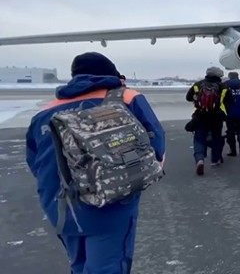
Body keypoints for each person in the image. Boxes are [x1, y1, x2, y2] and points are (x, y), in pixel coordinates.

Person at [25, 52, 166, 273]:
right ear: (110, 73)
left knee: (79, 264)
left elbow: (35, 162)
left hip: (60, 205)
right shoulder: (126, 97)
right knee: (108, 265)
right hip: (110, 201)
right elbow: (155, 144)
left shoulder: (45, 112)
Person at [185, 67, 233, 175]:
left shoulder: (198, 84)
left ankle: (200, 159)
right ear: (218, 76)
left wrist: (196, 98)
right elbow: (231, 101)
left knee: (199, 139)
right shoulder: (223, 87)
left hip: (200, 116)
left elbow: (188, 97)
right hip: (217, 117)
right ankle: (214, 160)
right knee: (216, 138)